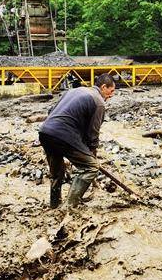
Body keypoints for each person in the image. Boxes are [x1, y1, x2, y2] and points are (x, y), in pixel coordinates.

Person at [38, 74, 116, 208]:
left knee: (57, 172)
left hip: (45, 132)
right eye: (111, 91)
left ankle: (55, 204)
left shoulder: (74, 91)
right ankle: (69, 206)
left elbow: (51, 110)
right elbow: (93, 134)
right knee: (91, 167)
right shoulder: (98, 102)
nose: (112, 95)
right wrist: (92, 157)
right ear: (103, 87)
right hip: (63, 134)